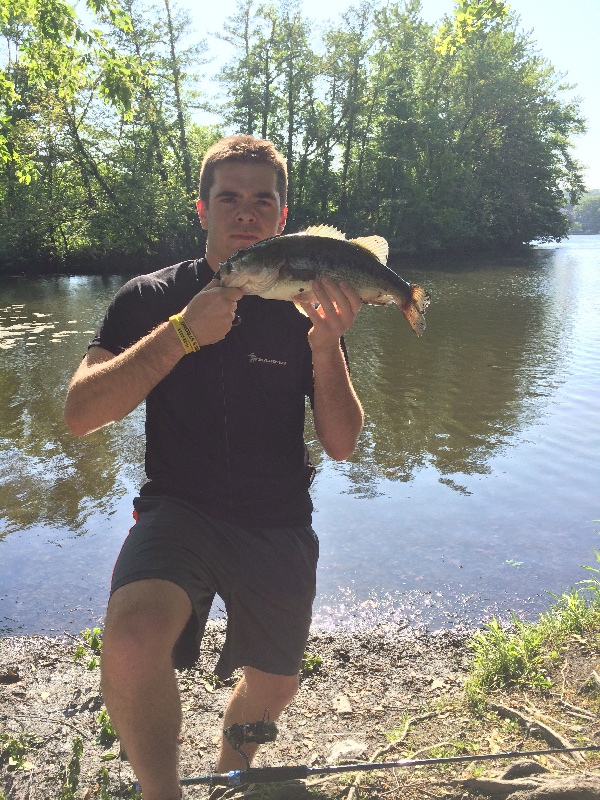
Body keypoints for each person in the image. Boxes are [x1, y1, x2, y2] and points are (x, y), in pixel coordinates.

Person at [64, 135, 364, 800]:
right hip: (180, 508)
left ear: (282, 218)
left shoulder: (309, 300)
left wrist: (326, 345)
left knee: (274, 685)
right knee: (136, 634)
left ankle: (234, 773)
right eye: (229, 197)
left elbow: (342, 443)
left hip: (279, 518)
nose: (246, 212)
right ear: (203, 210)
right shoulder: (151, 296)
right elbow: (81, 412)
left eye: (263, 200)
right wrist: (180, 333)